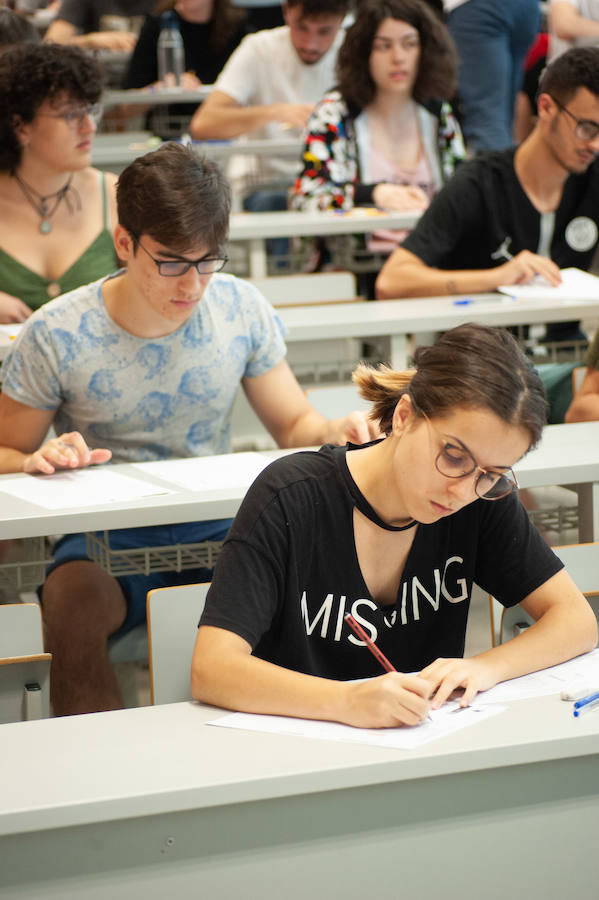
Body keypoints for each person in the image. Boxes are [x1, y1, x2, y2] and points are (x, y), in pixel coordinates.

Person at [0, 142, 378, 717]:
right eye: (172, 262)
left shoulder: (239, 307)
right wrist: (35, 459)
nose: (193, 285)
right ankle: (104, 778)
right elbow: (5, 448)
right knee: (70, 606)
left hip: (227, 524)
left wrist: (338, 429)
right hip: (106, 533)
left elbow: (293, 423)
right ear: (123, 243)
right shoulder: (57, 332)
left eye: (208, 261)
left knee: (311, 585)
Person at [191, 323, 597, 727]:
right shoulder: (291, 496)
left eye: (491, 474)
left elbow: (576, 620)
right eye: (453, 456)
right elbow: (213, 669)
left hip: (417, 750)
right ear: (404, 416)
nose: (462, 490)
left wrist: (485, 667)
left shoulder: (481, 499)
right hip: (295, 751)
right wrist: (346, 701)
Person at [375, 46, 599, 345]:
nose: (595, 145)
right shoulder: (479, 183)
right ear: (546, 107)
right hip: (486, 371)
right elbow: (392, 281)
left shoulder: (592, 178)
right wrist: (496, 278)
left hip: (568, 356)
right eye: (587, 128)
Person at [291, 0, 464, 246]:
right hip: (357, 267)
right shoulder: (335, 113)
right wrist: (373, 194)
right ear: (364, 53)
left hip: (431, 262)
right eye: (383, 47)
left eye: (409, 44)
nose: (398, 58)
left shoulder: (438, 113)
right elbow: (305, 198)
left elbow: (461, 194)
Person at [0, 42, 117, 323]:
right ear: (21, 126)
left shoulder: (115, 195)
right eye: (71, 115)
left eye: (91, 111)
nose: (89, 127)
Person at [189, 0, 351, 203]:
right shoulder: (259, 48)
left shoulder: (354, 53)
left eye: (324, 31)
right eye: (302, 28)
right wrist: (274, 113)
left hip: (333, 183)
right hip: (266, 184)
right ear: (286, 12)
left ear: (342, 21)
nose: (311, 43)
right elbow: (203, 124)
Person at [122, 0, 247, 137]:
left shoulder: (239, 29)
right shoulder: (158, 25)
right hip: (166, 139)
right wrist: (158, 88)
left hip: (223, 136)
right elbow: (125, 108)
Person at [444, 0, 540, 152]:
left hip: (480, 8)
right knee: (502, 120)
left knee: (487, 121)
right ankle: (504, 171)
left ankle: (495, 174)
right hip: (526, 8)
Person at [44, 0, 153, 52]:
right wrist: (90, 41)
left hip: (154, 82)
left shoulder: (165, 3)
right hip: (97, 81)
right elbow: (50, 44)